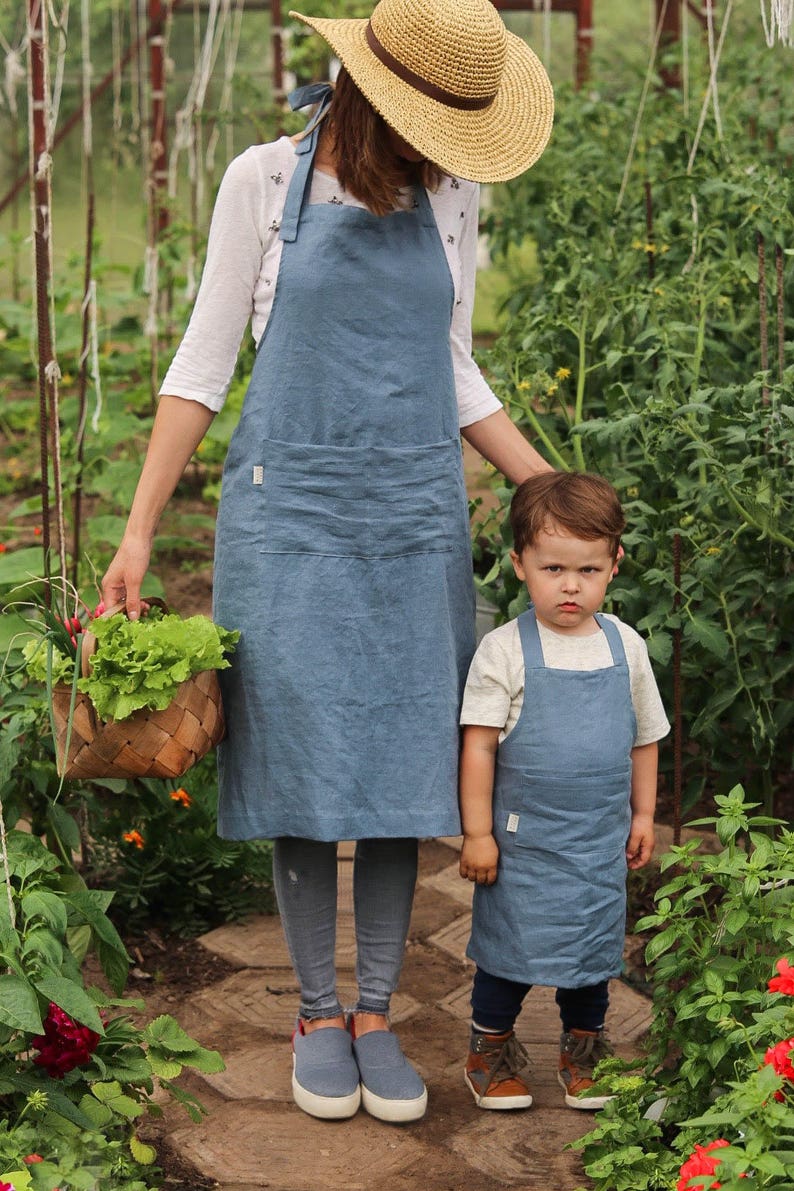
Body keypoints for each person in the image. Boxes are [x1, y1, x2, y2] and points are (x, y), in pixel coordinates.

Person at [102, 0, 554, 1125]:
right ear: (371, 96)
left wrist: (547, 494)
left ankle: (376, 1014)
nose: (438, 152)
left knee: (405, 767)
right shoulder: (264, 181)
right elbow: (204, 361)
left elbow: (451, 366)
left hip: (409, 515)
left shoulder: (455, 195)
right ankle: (315, 1009)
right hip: (288, 513)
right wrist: (140, 528)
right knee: (303, 767)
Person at [458, 472, 670, 1111]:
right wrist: (476, 834)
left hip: (595, 839)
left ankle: (584, 1051)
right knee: (508, 955)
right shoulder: (504, 651)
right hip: (522, 846)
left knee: (592, 951)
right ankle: (489, 1051)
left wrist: (643, 814)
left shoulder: (625, 646)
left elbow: (645, 737)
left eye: (588, 569)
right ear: (520, 564)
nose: (571, 586)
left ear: (614, 565)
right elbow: (478, 746)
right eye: (553, 568)